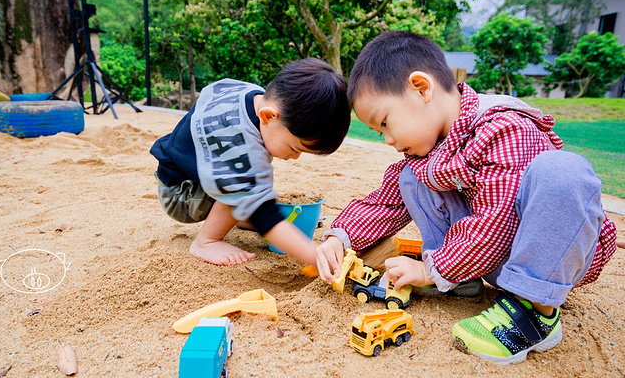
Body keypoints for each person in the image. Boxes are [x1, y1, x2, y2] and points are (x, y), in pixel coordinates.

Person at [314, 31, 618, 364]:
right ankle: (462, 279)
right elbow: (386, 202)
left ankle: (536, 313)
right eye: (379, 133)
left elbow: (497, 221)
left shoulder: (502, 128)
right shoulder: (429, 148)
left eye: (385, 123)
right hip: (489, 256)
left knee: (563, 171)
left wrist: (431, 270)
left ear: (421, 88)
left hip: (553, 255)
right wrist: (339, 237)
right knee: (411, 178)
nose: (387, 139)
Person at [151, 58, 350, 267]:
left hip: (180, 172)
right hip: (181, 196)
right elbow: (263, 210)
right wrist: (312, 256)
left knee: (248, 180)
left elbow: (212, 90)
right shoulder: (240, 147)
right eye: (294, 148)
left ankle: (242, 217)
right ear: (268, 116)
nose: (295, 157)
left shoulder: (252, 93)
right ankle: (206, 241)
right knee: (246, 184)